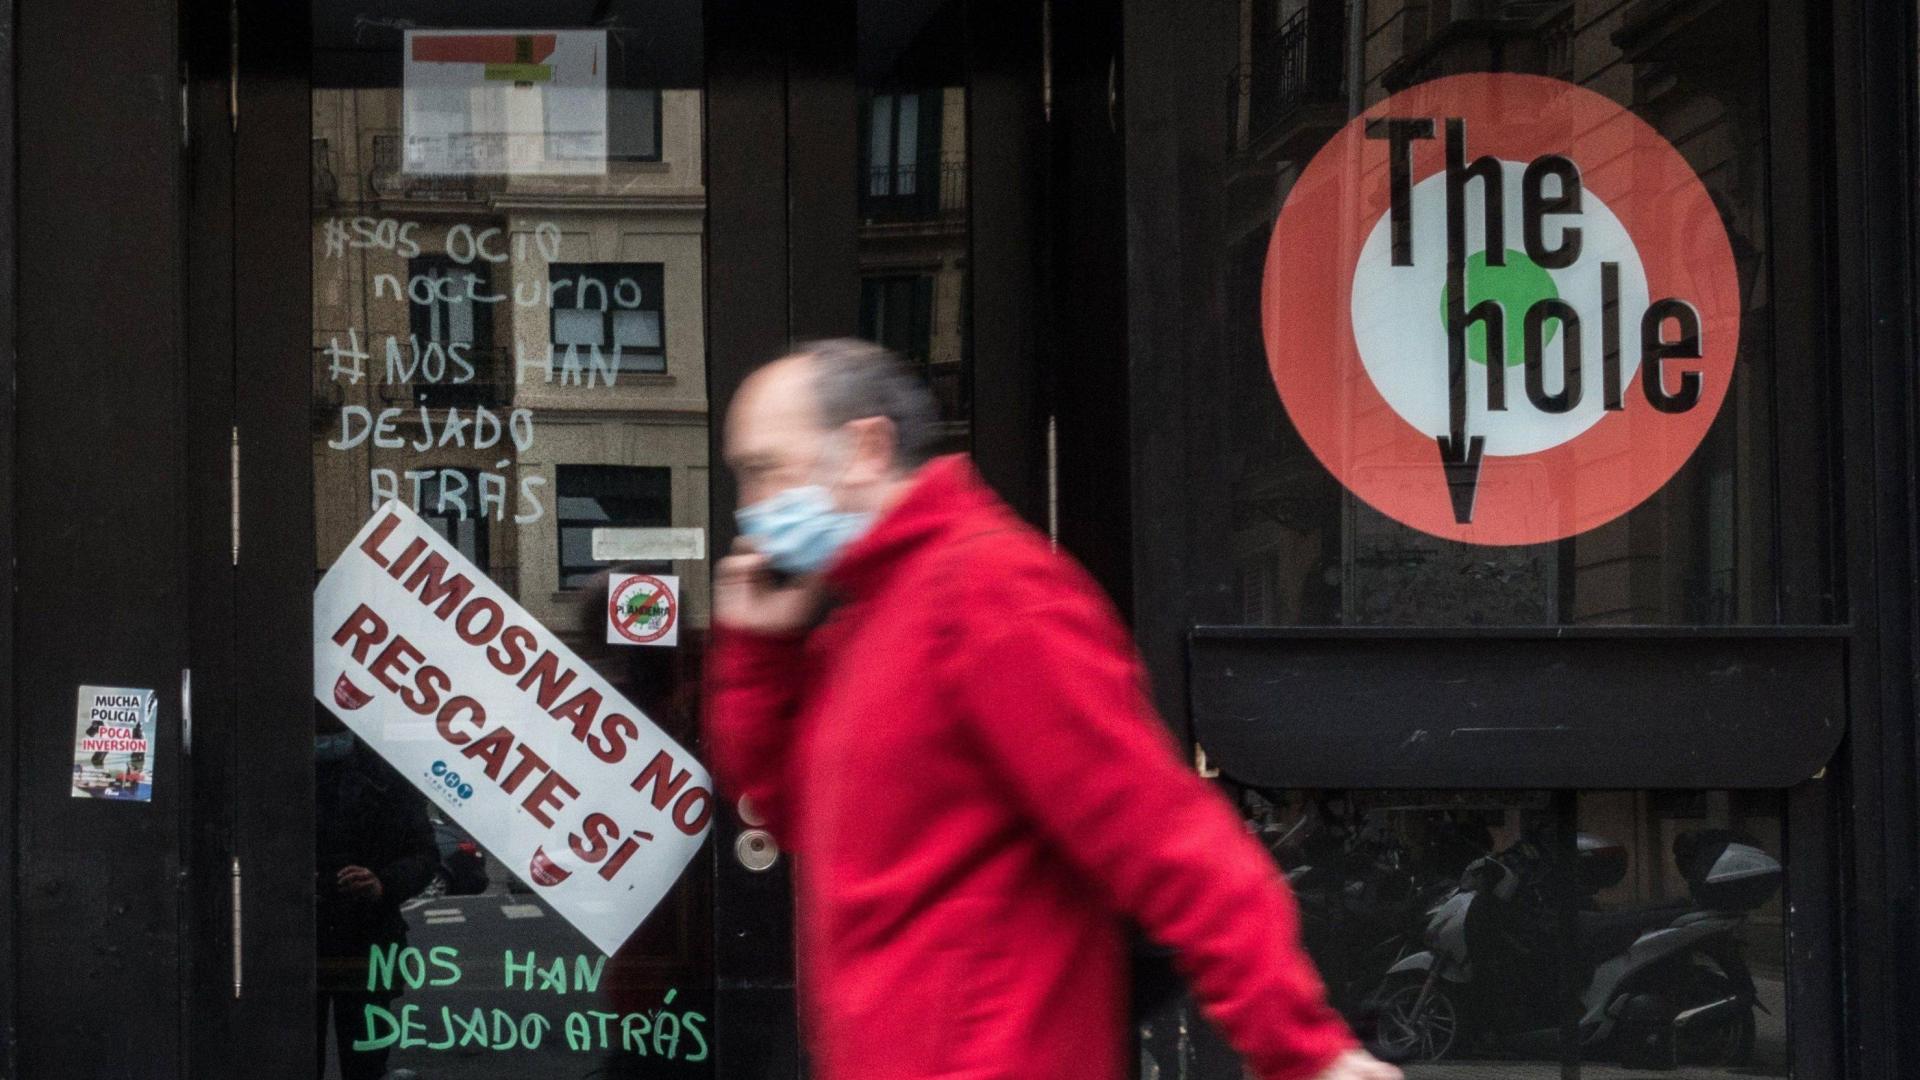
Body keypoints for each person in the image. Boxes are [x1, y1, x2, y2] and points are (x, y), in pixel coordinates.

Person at [708, 339, 1400, 1080]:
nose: (752, 509)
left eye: (765, 471)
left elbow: (1162, 837)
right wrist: (760, 652)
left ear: (866, 449)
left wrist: (1302, 1049)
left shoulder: (990, 593)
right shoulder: (867, 621)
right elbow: (791, 811)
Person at [315, 709, 440, 1080]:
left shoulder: (385, 773)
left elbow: (423, 853)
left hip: (364, 938)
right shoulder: (383, 771)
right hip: (340, 938)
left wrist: (383, 883)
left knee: (364, 1061)